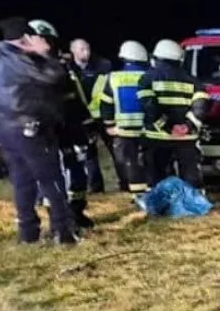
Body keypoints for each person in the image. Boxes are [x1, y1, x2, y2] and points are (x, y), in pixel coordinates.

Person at [0, 17, 78, 244]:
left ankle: (28, 233)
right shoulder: (20, 59)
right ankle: (63, 231)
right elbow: (54, 77)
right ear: (26, 37)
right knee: (51, 178)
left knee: (22, 180)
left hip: (4, 129)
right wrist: (43, 54)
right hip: (31, 127)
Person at [28, 20, 94, 230]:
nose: (47, 44)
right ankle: (60, 219)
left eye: (50, 40)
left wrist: (86, 122)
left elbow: (76, 96)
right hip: (47, 129)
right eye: (43, 39)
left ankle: (77, 211)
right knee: (54, 174)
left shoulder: (62, 66)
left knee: (77, 169)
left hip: (69, 127)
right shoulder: (26, 68)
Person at [139, 40, 208, 189]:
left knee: (157, 178)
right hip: (186, 138)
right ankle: (192, 201)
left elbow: (149, 107)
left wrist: (168, 127)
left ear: (157, 57)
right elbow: (200, 108)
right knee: (191, 177)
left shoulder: (147, 78)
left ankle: (160, 202)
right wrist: (187, 126)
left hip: (157, 137)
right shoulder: (194, 81)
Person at [91, 41, 150, 195]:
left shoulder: (114, 77)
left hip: (124, 130)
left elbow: (106, 103)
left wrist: (109, 125)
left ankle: (137, 194)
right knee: (151, 161)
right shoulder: (152, 75)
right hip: (150, 129)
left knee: (131, 162)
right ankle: (153, 192)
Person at [69, 38, 118, 192]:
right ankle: (95, 188)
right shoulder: (68, 68)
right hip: (82, 118)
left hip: (103, 116)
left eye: (87, 48)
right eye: (82, 49)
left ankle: (125, 183)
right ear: (73, 51)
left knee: (116, 150)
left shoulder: (103, 65)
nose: (86, 52)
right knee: (89, 155)